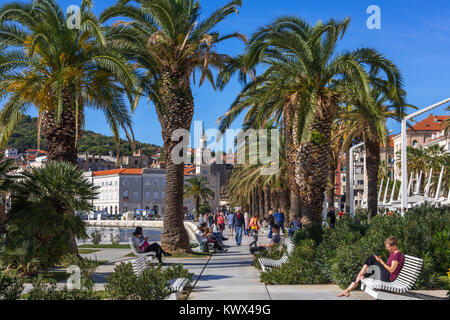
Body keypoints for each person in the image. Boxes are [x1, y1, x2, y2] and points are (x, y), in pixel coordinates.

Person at [338, 236, 404, 297]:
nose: (386, 248)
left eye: (388, 247)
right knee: (361, 275)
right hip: (386, 274)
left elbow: (391, 270)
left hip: (388, 278)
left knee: (372, 258)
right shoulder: (393, 252)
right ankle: (347, 291)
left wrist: (381, 262)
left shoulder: (397, 255)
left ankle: (360, 275)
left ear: (394, 246)